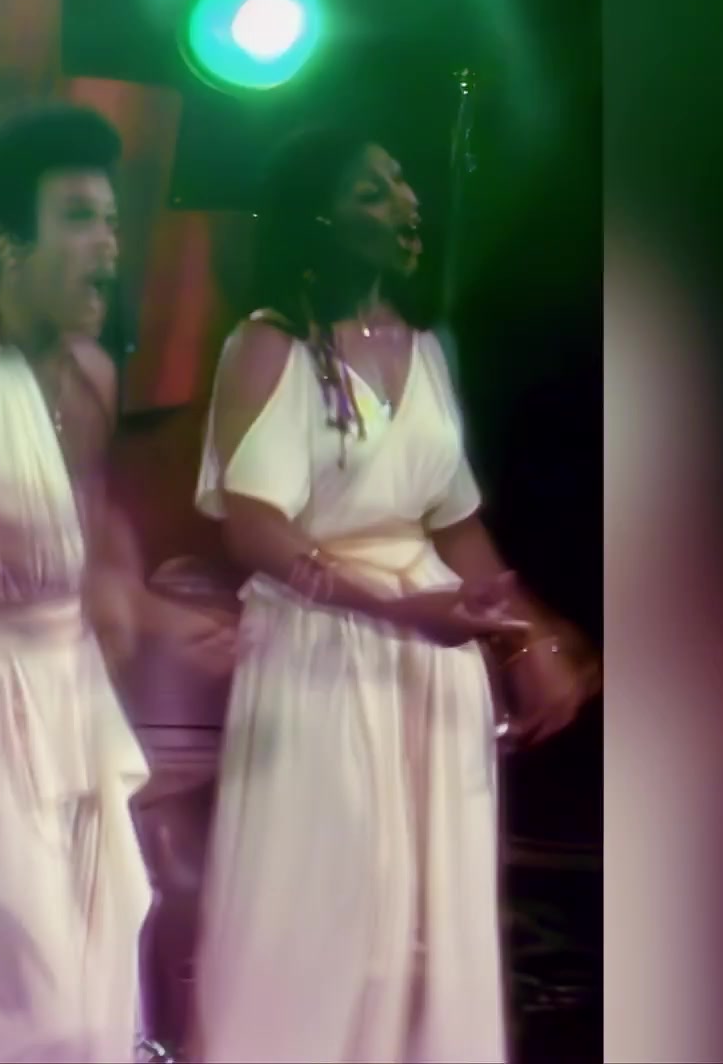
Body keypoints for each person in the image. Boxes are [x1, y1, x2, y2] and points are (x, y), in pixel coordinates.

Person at [189, 126, 600, 1063]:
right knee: (329, 917)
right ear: (319, 218)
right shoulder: (268, 345)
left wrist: (530, 642)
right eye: (373, 192)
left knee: (426, 922)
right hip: (322, 655)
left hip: (431, 664)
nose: (408, 205)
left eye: (403, 184)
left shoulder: (424, 350)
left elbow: (455, 528)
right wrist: (395, 611)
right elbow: (253, 529)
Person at [0, 103, 236, 1063]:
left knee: (91, 966)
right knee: (7, 983)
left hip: (71, 696)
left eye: (112, 220)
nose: (108, 243)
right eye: (79, 218)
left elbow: (95, 539)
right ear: (8, 239)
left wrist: (148, 606)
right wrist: (112, 588)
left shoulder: (91, 373)